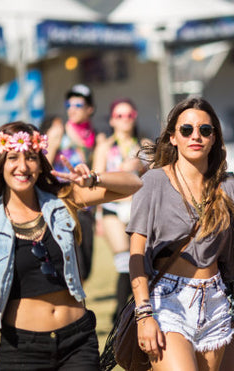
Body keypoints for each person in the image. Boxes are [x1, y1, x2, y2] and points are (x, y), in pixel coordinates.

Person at [0, 121, 142, 370]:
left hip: (78, 342)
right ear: (0, 165)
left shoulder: (64, 198)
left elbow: (135, 183)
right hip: (22, 349)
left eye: (31, 157)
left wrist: (92, 178)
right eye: (12, 158)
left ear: (40, 164)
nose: (22, 166)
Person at [126, 97, 234, 370]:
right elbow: (136, 254)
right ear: (173, 137)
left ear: (214, 138)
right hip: (168, 300)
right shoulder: (153, 183)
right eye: (186, 130)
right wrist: (144, 314)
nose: (196, 136)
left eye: (205, 130)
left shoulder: (230, 186)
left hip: (217, 301)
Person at [93, 98, 150, 324]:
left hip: (137, 207)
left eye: (128, 115)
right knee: (124, 260)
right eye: (119, 116)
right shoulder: (105, 146)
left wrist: (143, 166)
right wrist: (121, 170)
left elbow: (155, 176)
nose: (124, 120)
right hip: (112, 208)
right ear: (111, 120)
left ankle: (127, 311)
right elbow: (95, 178)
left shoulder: (143, 144)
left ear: (134, 117)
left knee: (140, 259)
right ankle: (120, 314)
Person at [45, 84, 100, 281]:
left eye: (78, 104)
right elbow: (45, 165)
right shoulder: (59, 131)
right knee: (74, 264)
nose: (72, 108)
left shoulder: (95, 136)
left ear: (90, 109)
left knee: (86, 266)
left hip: (86, 205)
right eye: (69, 104)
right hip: (63, 202)